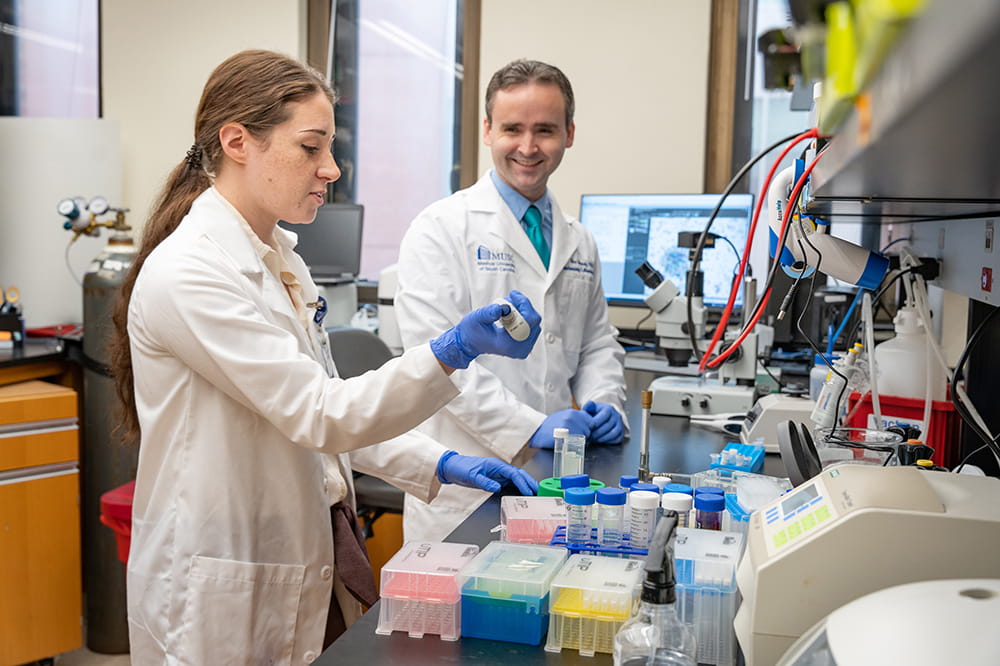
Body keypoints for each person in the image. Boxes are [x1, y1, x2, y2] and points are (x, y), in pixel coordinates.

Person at [108, 49, 543, 664]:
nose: (331, 169)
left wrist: (439, 461)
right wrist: (452, 351)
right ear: (237, 141)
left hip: (289, 556)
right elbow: (320, 413)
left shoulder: (282, 259)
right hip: (217, 580)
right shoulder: (190, 272)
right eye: (311, 148)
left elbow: (322, 414)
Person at [394, 59, 627, 542]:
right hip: (464, 484)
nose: (527, 147)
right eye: (512, 129)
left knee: (539, 605)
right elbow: (435, 358)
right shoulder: (441, 228)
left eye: (544, 130)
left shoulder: (578, 239)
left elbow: (596, 343)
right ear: (487, 130)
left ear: (569, 133)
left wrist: (605, 401)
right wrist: (530, 425)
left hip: (555, 475)